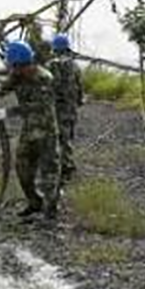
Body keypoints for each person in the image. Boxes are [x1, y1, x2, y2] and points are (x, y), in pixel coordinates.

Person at [0, 40, 61, 221]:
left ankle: (50, 210)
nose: (12, 69)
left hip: (46, 132)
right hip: (29, 132)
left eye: (14, 66)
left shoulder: (44, 78)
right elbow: (5, 85)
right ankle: (34, 202)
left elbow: (38, 106)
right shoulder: (17, 75)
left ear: (23, 63)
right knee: (22, 168)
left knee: (49, 173)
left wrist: (7, 112)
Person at [48, 33, 84, 181]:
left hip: (59, 108)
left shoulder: (54, 65)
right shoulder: (75, 66)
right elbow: (79, 87)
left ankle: (65, 168)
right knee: (67, 137)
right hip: (71, 108)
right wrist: (79, 101)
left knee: (58, 138)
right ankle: (67, 165)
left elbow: (52, 86)